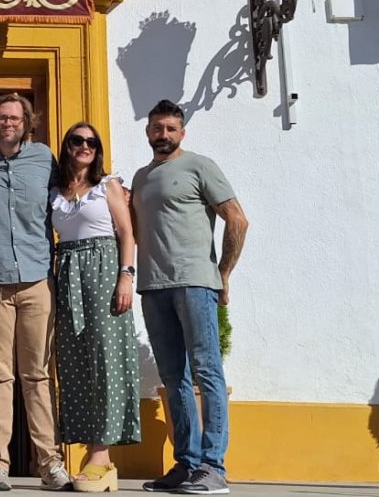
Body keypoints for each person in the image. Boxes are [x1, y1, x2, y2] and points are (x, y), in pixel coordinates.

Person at [130, 100, 248, 495]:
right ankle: (187, 464)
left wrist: (224, 274)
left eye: (170, 128)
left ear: (182, 133)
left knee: (206, 371)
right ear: (148, 132)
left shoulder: (200, 166)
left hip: (195, 283)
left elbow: (236, 217)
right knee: (173, 378)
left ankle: (213, 467)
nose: (163, 135)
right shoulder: (142, 177)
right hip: (153, 286)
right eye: (157, 128)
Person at [0, 93, 72, 492]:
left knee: (38, 374)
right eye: (2, 117)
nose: (9, 123)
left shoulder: (44, 158)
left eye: (16, 117)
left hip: (38, 279)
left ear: (27, 122)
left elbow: (67, 200)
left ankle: (49, 462)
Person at [51, 122, 141, 493]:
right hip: (67, 270)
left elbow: (126, 233)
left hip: (104, 269)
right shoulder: (56, 191)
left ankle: (102, 457)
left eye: (91, 142)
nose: (85, 146)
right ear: (67, 146)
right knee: (73, 361)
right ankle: (90, 450)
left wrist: (126, 276)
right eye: (77, 140)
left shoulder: (108, 186)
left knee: (106, 358)